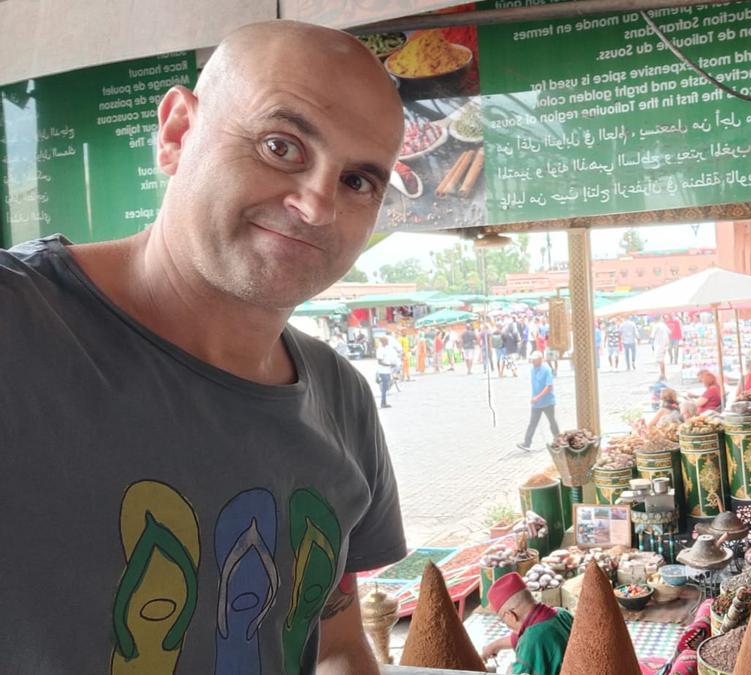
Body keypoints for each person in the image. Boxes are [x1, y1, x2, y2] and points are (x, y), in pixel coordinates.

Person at [0, 22, 406, 674]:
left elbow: (334, 644)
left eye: (358, 181)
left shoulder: (342, 401)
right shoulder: (17, 328)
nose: (317, 205)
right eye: (283, 146)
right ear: (177, 133)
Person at [480, 573, 573, 674]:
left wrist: (510, 671)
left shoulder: (531, 642)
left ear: (510, 615)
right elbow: (526, 634)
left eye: (503, 619)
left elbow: (530, 640)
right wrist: (494, 646)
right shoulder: (562, 614)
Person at [517, 352, 560, 451]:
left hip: (547, 401)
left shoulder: (546, 370)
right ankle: (527, 443)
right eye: (532, 359)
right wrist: (534, 398)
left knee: (552, 422)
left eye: (535, 360)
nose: (533, 361)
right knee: (532, 423)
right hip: (537, 403)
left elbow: (549, 387)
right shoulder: (533, 369)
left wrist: (538, 397)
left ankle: (558, 441)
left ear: (540, 359)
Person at [376, 335, 399, 408]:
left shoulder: (386, 349)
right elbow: (379, 362)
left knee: (386, 386)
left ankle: (384, 401)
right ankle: (383, 402)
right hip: (383, 371)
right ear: (383, 342)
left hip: (387, 370)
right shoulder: (380, 350)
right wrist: (389, 365)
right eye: (386, 341)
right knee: (385, 387)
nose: (388, 342)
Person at [652, 315, 671, 380]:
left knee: (660, 360)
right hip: (665, 344)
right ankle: (662, 374)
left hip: (659, 344)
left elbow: (652, 336)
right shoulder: (663, 325)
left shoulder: (656, 326)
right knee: (662, 360)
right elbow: (669, 332)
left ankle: (663, 374)